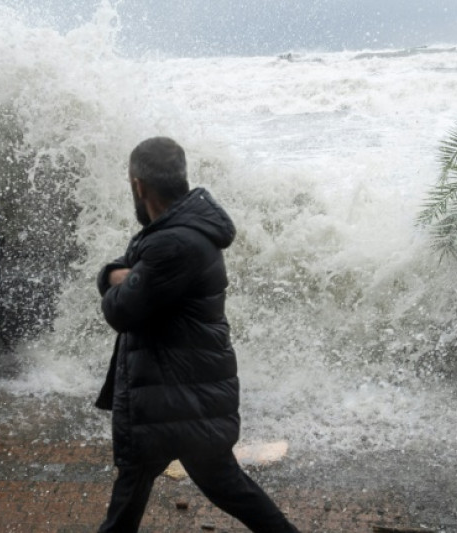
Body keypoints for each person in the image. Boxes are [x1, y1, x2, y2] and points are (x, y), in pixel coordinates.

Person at [94, 137, 300, 532]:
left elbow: (120, 310)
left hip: (179, 397)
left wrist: (117, 281)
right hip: (174, 392)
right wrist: (114, 274)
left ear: (138, 185)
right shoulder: (176, 228)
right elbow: (130, 267)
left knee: (218, 487)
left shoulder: (174, 241)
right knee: (212, 487)